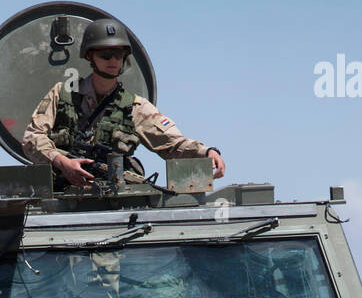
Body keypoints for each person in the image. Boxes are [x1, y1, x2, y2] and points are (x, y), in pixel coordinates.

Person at [22, 19, 226, 189]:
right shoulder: (62, 93)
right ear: (90, 56)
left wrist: (207, 152)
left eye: (119, 55)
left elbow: (173, 144)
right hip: (61, 194)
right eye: (106, 55)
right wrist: (62, 162)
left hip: (116, 198)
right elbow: (32, 137)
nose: (113, 60)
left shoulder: (135, 106)